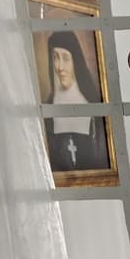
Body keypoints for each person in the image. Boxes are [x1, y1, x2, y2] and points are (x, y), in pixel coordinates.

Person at [43, 30, 108, 172]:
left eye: (65, 58)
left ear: (75, 61)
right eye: (55, 57)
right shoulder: (47, 108)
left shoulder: (93, 105)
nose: (59, 67)